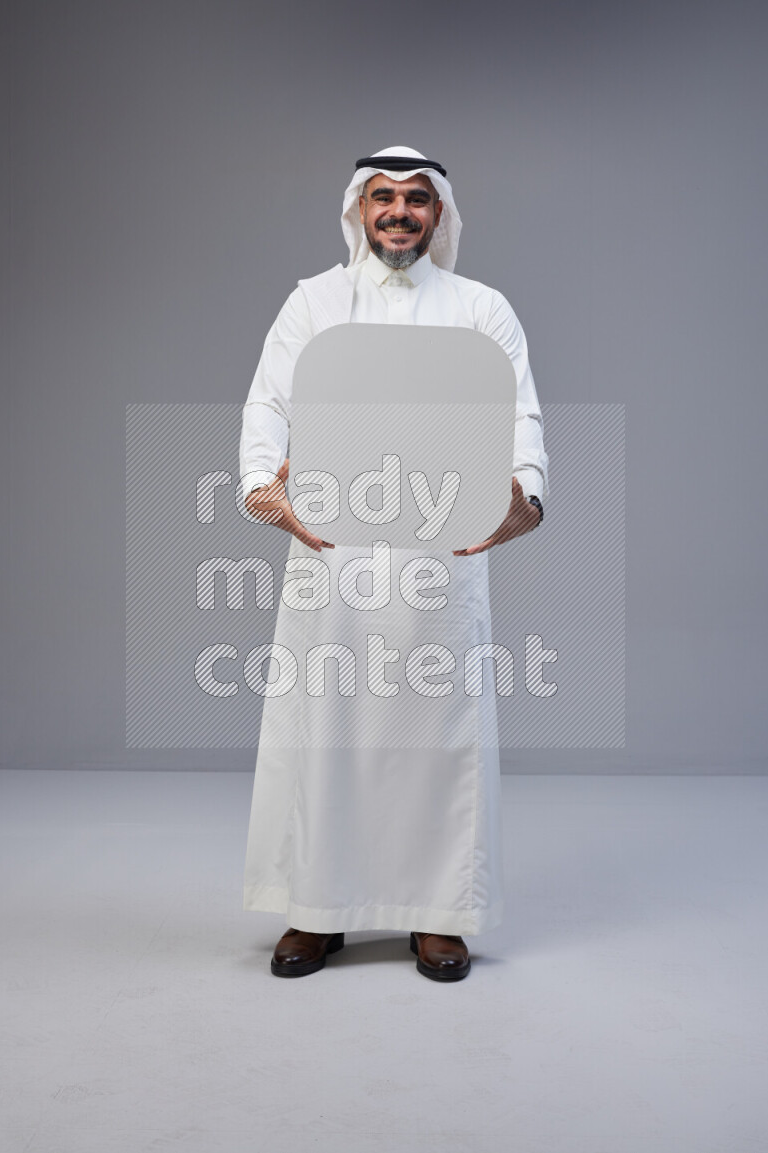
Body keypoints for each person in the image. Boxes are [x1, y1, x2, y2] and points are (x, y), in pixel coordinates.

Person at [239, 146, 548, 981]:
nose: (400, 212)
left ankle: (438, 915)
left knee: (437, 737)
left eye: (417, 199)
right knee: (325, 733)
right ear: (359, 209)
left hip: (440, 558)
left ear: (440, 214)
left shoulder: (482, 308)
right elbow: (268, 403)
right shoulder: (313, 303)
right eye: (384, 197)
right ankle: (317, 909)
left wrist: (525, 496)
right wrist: (264, 491)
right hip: (333, 556)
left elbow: (518, 415)